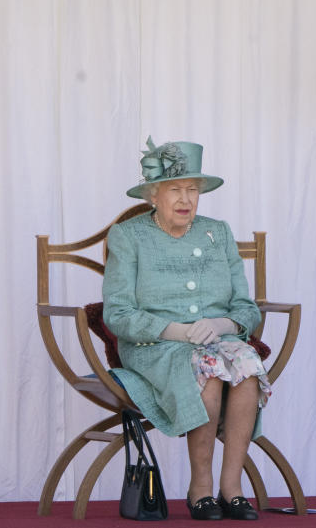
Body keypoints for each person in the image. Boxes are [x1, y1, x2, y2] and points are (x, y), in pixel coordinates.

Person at [103, 138, 268, 521]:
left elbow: (246, 307)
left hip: (216, 340)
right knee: (210, 370)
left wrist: (221, 324)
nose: (186, 199)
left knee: (245, 363)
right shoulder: (129, 236)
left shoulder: (218, 233)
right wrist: (177, 330)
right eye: (175, 189)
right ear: (153, 195)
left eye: (193, 190)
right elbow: (117, 313)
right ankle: (201, 490)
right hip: (154, 346)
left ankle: (232, 489)